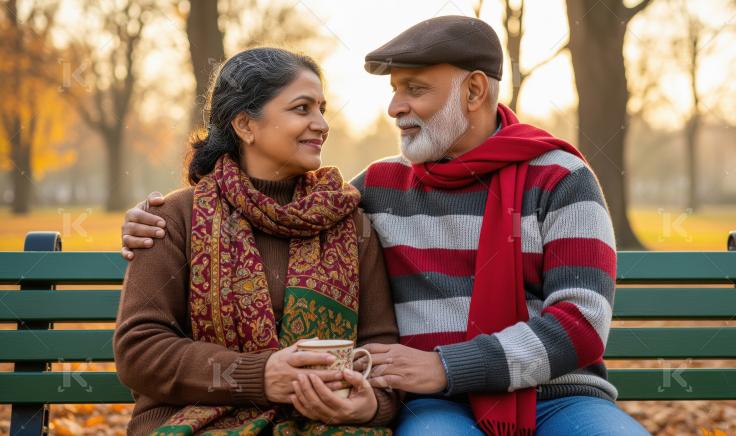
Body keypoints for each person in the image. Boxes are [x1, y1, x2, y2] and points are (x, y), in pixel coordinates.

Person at [121, 16, 650, 436]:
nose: (396, 108)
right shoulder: (373, 191)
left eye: (415, 89)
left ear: (475, 92)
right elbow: (280, 211)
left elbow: (580, 323)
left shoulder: (561, 178)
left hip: (557, 398)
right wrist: (153, 221)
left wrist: (446, 368)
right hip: (436, 408)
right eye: (395, 90)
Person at [114, 47, 399, 435]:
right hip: (191, 420)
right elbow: (140, 351)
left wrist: (372, 406)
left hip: (326, 425)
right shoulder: (173, 218)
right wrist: (260, 376)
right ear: (246, 125)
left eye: (322, 108)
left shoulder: (350, 223)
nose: (321, 123)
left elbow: (380, 350)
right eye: (302, 108)